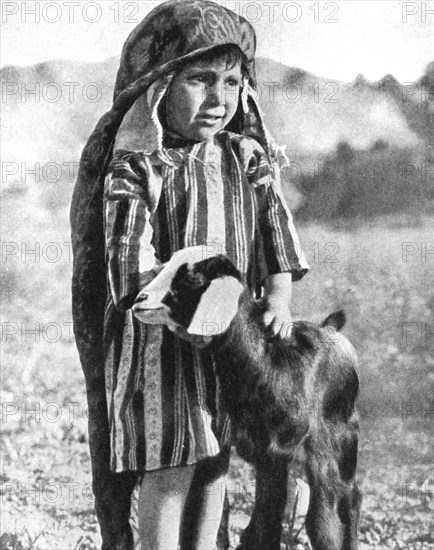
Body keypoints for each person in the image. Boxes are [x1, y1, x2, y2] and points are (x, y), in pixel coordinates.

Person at [73, 1, 309, 548]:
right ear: (157, 88)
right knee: (173, 460)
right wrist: (183, 310)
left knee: (215, 458)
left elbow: (276, 236)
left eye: (231, 82)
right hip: (161, 344)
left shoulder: (245, 157)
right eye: (200, 80)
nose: (218, 98)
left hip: (232, 341)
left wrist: (277, 298)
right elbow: (126, 256)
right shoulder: (140, 163)